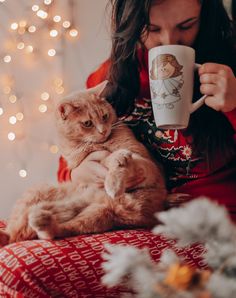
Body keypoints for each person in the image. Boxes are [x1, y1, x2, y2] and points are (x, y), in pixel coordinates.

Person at [58, 0, 236, 220]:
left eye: (186, 25)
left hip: (211, 222)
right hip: (133, 215)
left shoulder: (229, 68)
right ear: (132, 25)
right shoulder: (110, 78)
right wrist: (77, 174)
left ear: (206, 18)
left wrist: (234, 106)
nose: (168, 42)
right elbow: (67, 164)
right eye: (152, 29)